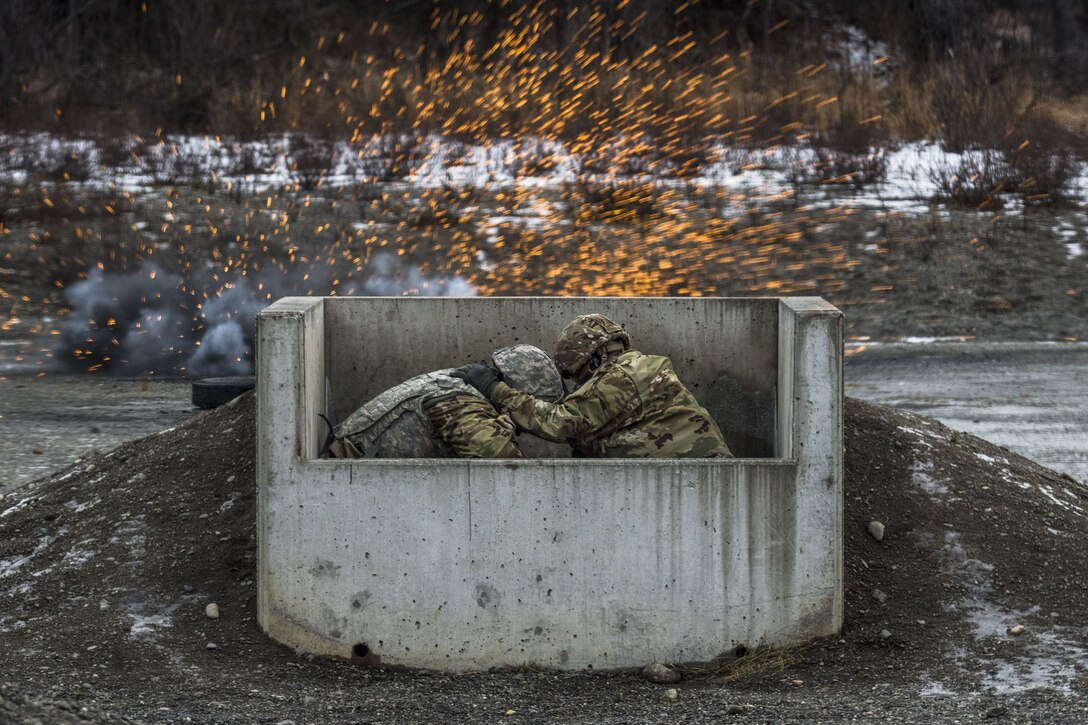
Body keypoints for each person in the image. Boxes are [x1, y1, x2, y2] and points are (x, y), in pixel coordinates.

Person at [453, 314, 732, 458]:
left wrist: (495, 389)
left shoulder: (625, 376)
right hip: (686, 474)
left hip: (695, 478)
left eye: (580, 375)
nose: (582, 385)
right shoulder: (639, 371)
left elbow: (563, 423)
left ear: (595, 357)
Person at [327, 344, 563, 459]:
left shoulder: (459, 383)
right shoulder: (462, 402)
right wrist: (510, 424)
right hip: (349, 477)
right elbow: (499, 463)